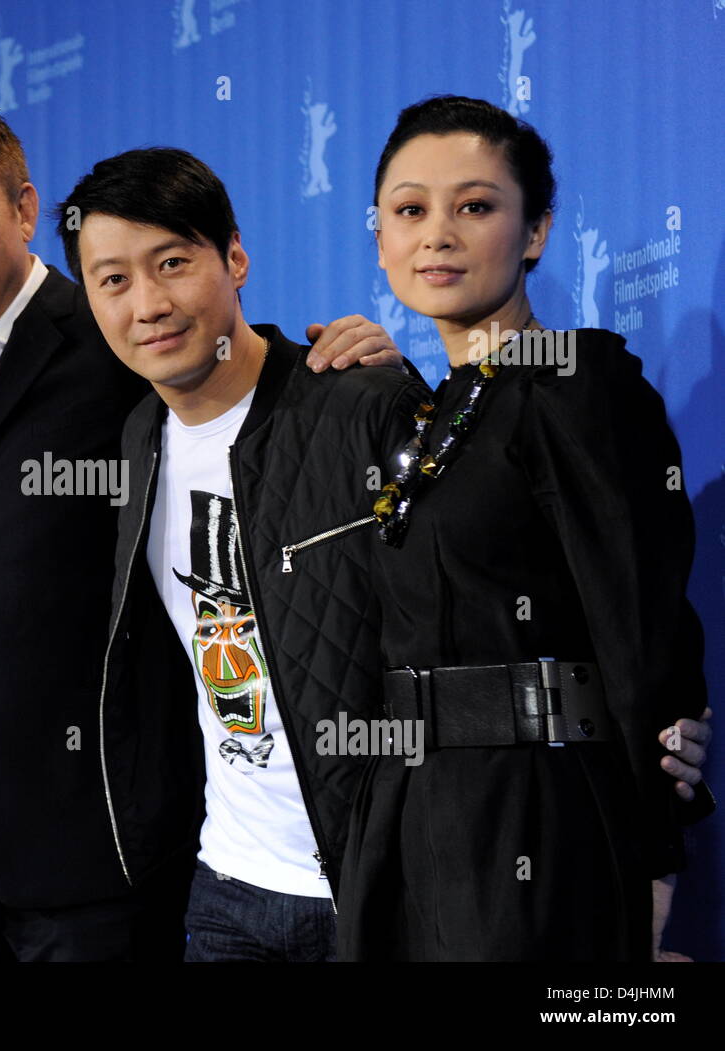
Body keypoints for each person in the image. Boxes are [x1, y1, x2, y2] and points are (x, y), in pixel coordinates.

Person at [56, 145, 713, 962]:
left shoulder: (360, 399)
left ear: (235, 257)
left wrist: (655, 773)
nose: (147, 302)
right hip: (225, 887)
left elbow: (529, 591)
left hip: (382, 880)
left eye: (173, 262)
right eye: (112, 279)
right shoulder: (137, 442)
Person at [0, 97, 396, 961]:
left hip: (121, 854)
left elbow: (250, 399)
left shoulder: (116, 347)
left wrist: (354, 360)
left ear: (26, 210)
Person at [336, 95, 713, 961]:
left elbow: (640, 633)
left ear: (537, 231)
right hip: (409, 820)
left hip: (542, 823)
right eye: (409, 210)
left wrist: (650, 877)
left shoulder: (579, 383)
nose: (438, 234)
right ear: (382, 237)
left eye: (475, 206)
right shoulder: (425, 418)